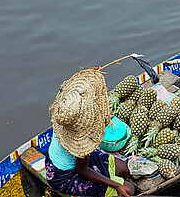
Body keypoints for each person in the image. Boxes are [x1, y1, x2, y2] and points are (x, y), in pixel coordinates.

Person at [45, 69, 135, 197]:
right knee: (129, 189)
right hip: (64, 177)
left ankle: (109, 183)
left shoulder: (66, 110)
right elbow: (81, 169)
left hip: (74, 162)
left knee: (123, 168)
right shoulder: (79, 142)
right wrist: (116, 185)